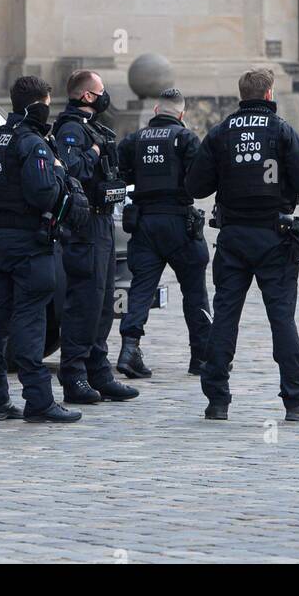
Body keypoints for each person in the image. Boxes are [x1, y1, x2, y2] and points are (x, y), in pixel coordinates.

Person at [186, 67, 299, 422]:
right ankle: (296, 401)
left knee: (225, 317)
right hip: (275, 236)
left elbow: (196, 186)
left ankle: (217, 400)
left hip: (233, 238)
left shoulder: (220, 133)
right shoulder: (282, 131)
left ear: (241, 95)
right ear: (269, 95)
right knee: (282, 320)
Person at [0, 76, 87, 423]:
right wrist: (59, 177)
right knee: (30, 320)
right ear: (38, 103)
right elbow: (43, 194)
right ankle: (38, 400)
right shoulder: (32, 143)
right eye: (47, 102)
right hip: (29, 242)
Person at [53, 70, 138, 404]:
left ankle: (98, 372)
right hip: (84, 224)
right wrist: (94, 153)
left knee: (103, 302)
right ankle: (74, 376)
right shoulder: (71, 129)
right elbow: (71, 171)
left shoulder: (94, 129)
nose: (107, 96)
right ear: (87, 96)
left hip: (102, 221)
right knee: (84, 303)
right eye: (102, 91)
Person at [114, 87, 210, 380]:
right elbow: (200, 180)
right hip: (180, 223)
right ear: (181, 114)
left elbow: (120, 174)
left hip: (144, 224)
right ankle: (202, 357)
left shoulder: (134, 140)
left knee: (141, 289)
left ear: (156, 111)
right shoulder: (186, 138)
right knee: (194, 291)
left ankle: (129, 350)